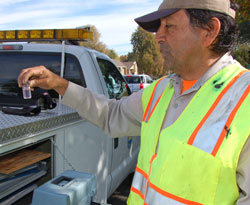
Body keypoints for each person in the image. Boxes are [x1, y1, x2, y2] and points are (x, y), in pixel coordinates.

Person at [18, 0, 250, 204]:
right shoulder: (162, 90)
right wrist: (59, 84)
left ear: (209, 30)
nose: (158, 36)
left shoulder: (244, 99)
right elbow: (110, 115)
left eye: (169, 26)